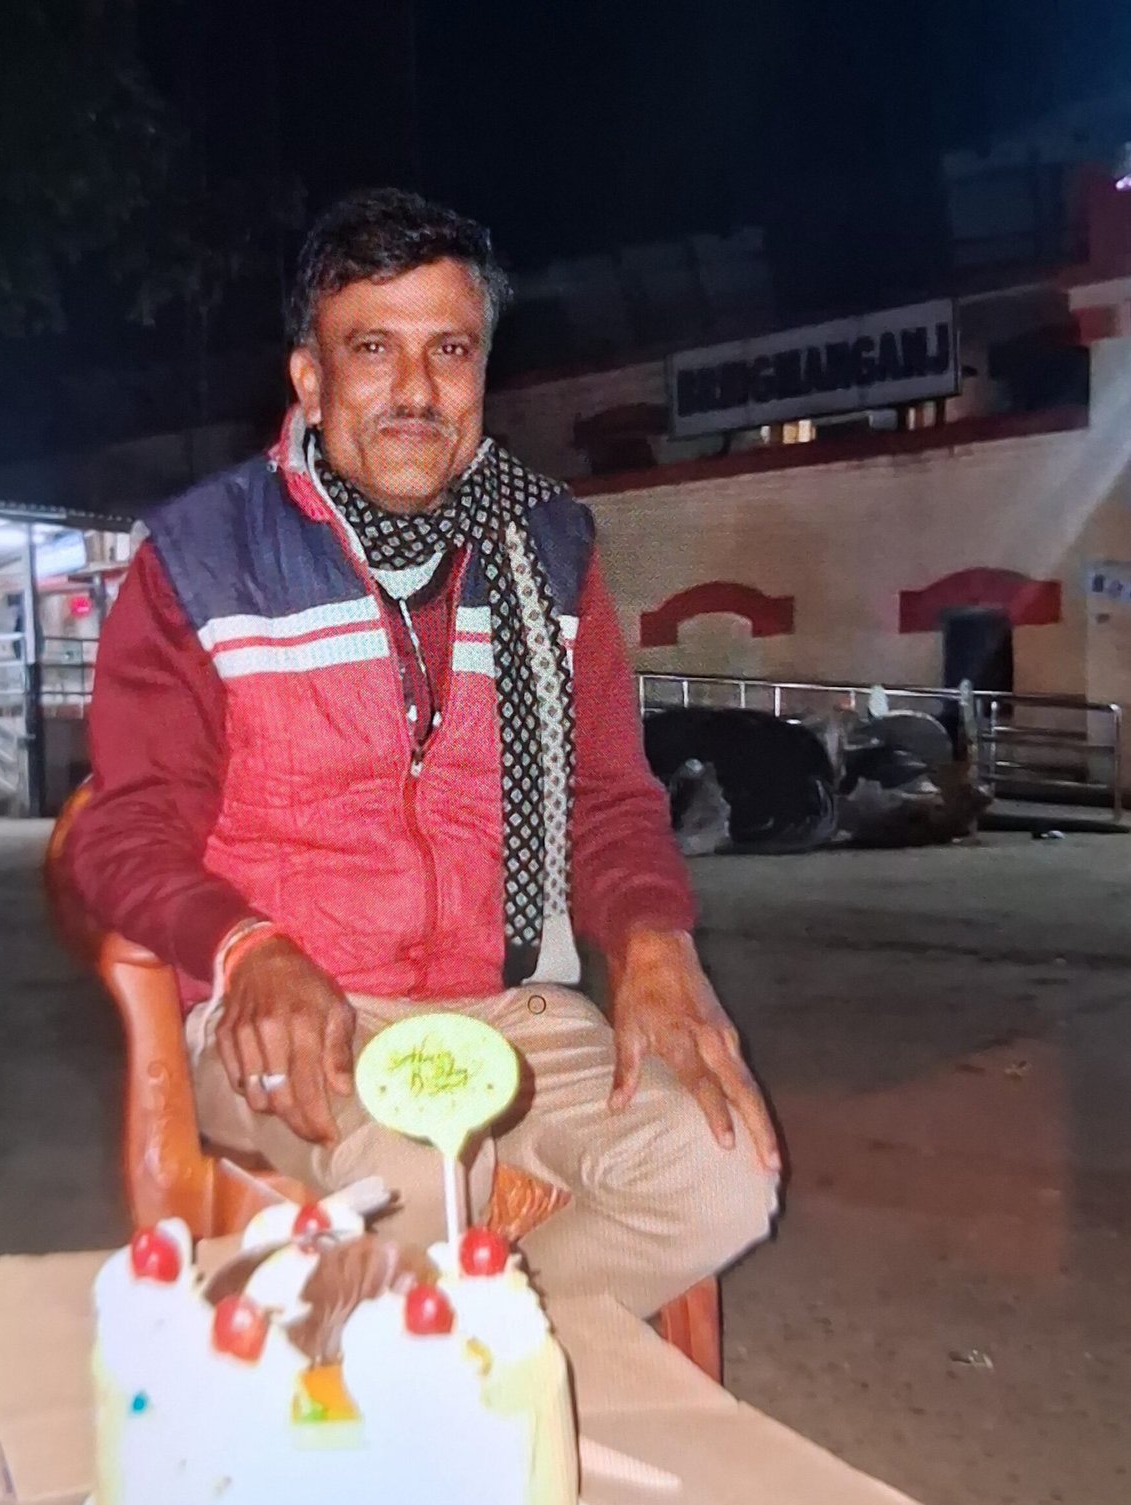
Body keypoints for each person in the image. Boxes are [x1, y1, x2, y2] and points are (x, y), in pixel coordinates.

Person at [68, 189, 782, 1318]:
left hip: (509, 1009)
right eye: (372, 349)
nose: (414, 390)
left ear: (482, 371)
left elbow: (606, 798)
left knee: (719, 1174)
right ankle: (438, 1366)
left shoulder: (548, 546)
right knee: (408, 1185)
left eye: (448, 350)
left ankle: (479, 1352)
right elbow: (124, 830)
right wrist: (246, 949)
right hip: (300, 1008)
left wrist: (654, 941)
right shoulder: (202, 560)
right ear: (311, 379)